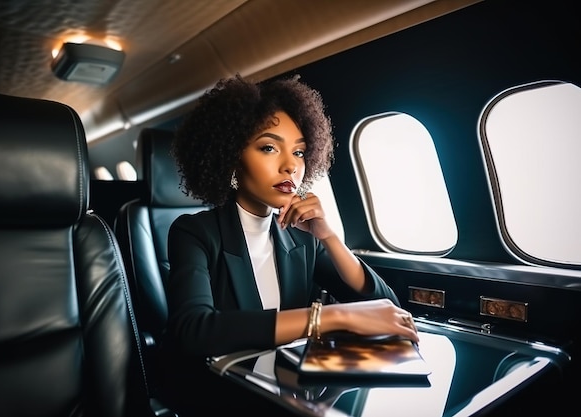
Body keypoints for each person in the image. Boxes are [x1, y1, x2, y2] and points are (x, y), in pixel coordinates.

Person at [159, 73, 418, 416]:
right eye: (269, 147)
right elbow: (193, 332)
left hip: (287, 395)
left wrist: (329, 236)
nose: (290, 165)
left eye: (298, 151)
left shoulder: (301, 236)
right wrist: (329, 317)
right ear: (232, 157)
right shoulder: (194, 232)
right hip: (223, 398)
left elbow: (385, 307)